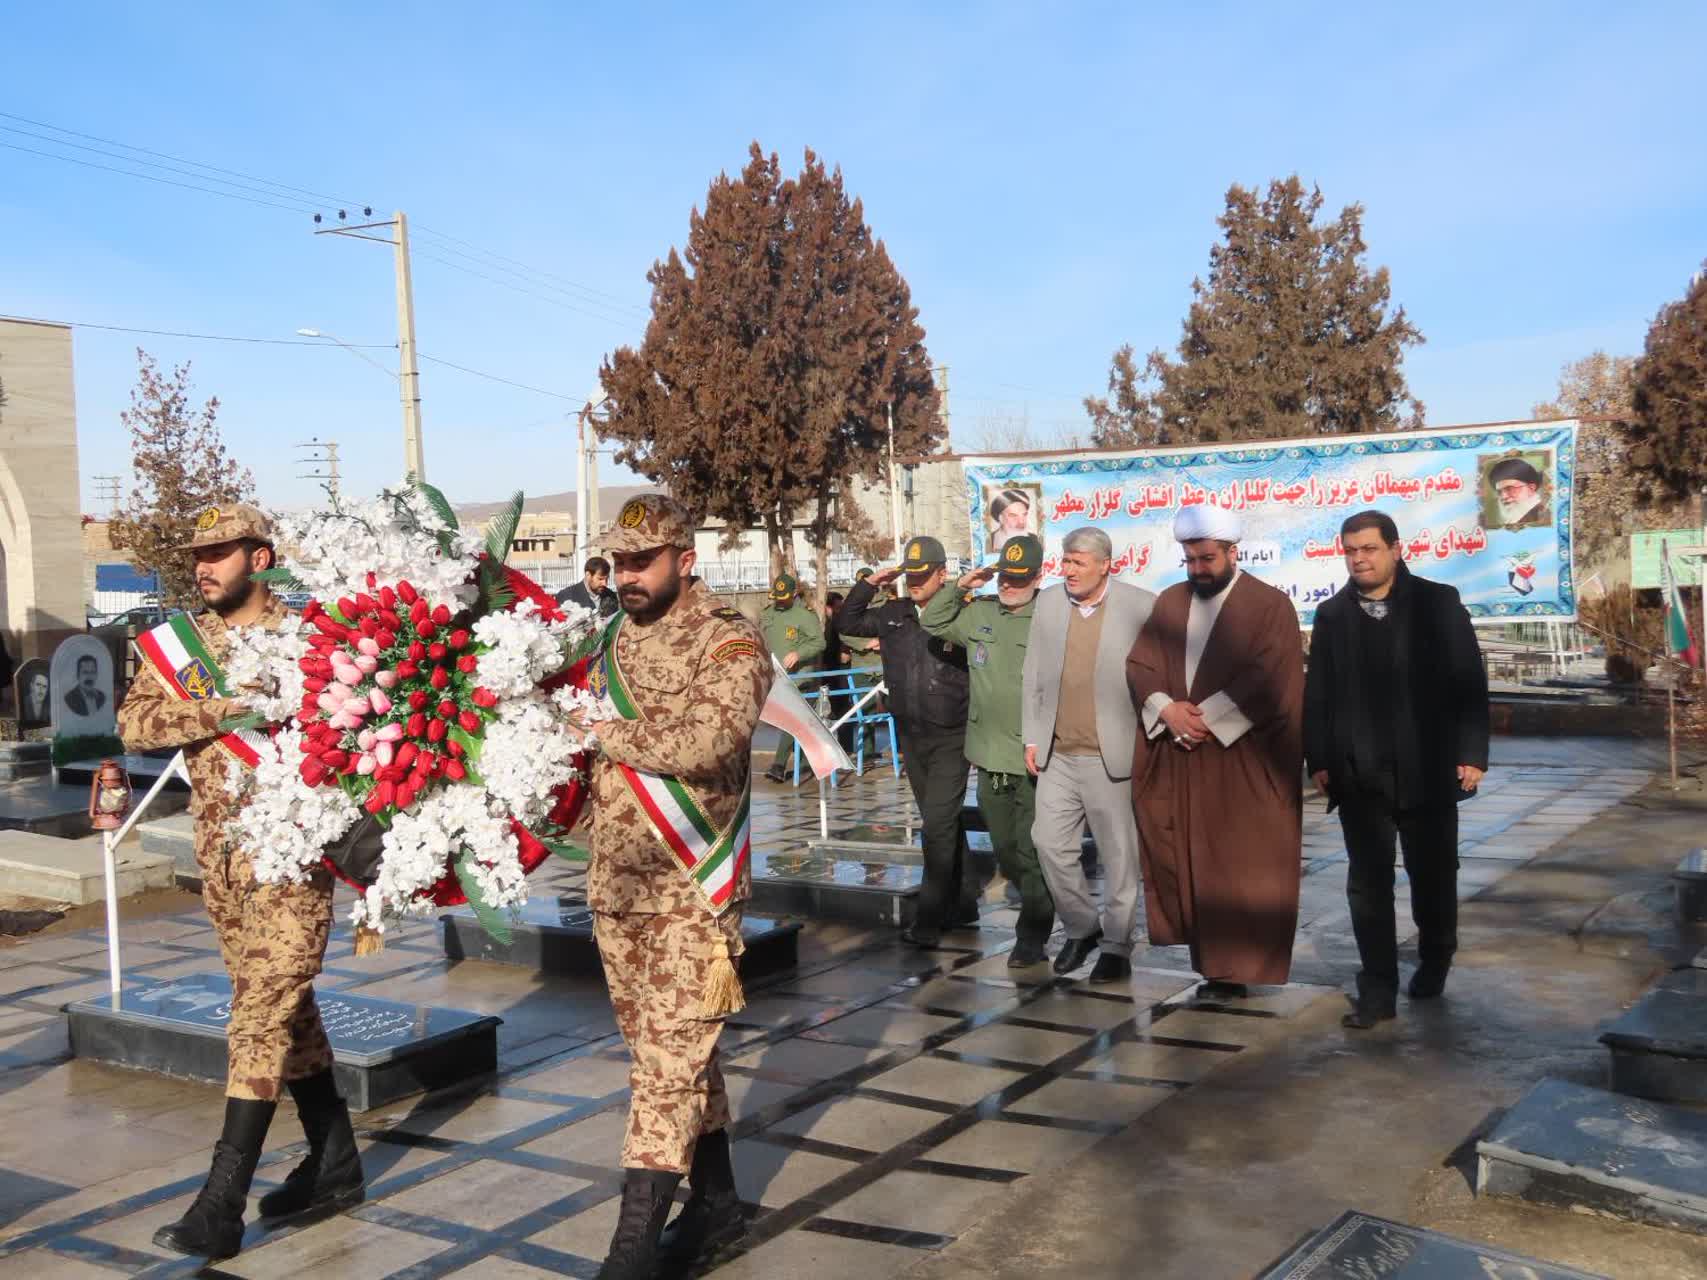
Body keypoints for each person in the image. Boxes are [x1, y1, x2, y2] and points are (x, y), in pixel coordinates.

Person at [117, 504, 361, 1261]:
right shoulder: (174, 645)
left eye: (220, 552)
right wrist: (229, 706)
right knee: (286, 1007)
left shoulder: (316, 640)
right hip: (220, 860)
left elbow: (352, 733)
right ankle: (335, 1158)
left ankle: (222, 1201)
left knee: (260, 1013)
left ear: (259, 558)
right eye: (199, 553)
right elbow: (135, 726)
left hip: (292, 859)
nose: (204, 565)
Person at [564, 494, 773, 1277]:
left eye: (640, 561)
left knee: (664, 1067)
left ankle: (631, 1250)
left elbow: (707, 740)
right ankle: (716, 1203)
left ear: (686, 560)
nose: (624, 577)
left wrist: (598, 731)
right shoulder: (607, 640)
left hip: (691, 887)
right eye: (615, 562)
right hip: (617, 882)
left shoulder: (727, 641)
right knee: (675, 1059)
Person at [1304, 510, 1490, 1029]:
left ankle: (1436, 956)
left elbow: (1469, 681)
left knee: (1432, 878)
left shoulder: (1438, 603)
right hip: (1359, 776)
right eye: (1350, 550)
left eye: (1369, 548)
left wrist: (1472, 753)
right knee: (1367, 885)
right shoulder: (1333, 615)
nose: (1359, 558)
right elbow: (1317, 693)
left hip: (1429, 770)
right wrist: (1319, 760)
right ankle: (1378, 988)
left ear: (1395, 549)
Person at [1127, 505, 1304, 997]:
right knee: (1192, 863)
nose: (1198, 569)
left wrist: (1203, 719)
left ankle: (1239, 967)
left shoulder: (1268, 606)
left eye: (1207, 559)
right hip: (1183, 758)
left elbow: (1274, 676)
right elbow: (1141, 664)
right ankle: (1213, 969)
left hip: (1241, 761)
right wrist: (1167, 710)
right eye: (1190, 560)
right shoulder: (1170, 601)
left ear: (1232, 552)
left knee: (1239, 866)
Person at [1022, 527, 1154, 982]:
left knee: (1120, 855)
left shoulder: (1140, 606)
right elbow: (1033, 672)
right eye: (1066, 560)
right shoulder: (1050, 603)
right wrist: (1031, 737)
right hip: (1057, 752)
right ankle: (1082, 927)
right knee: (1049, 843)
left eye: (1078, 562)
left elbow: (1157, 675)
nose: (1069, 570)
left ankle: (1117, 945)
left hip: (1111, 755)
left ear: (1105, 565)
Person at [922, 534, 1055, 966]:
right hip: (989, 756)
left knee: (1031, 848)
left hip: (1035, 757)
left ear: (1039, 576)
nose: (1009, 586)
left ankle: (1033, 932)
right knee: (1006, 851)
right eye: (1004, 577)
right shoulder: (980, 613)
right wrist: (963, 585)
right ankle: (1040, 906)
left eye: (1019, 579)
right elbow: (933, 621)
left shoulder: (1053, 617)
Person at [838, 536, 977, 945]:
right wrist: (870, 585)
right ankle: (965, 901)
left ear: (942, 574)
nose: (914, 583)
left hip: (953, 732)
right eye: (910, 575)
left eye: (923, 575)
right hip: (912, 733)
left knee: (935, 825)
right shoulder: (894, 613)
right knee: (943, 822)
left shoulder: (961, 614)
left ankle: (930, 918)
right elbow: (846, 624)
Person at [760, 573, 825, 783]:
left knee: (793, 720)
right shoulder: (768, 613)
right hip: (776, 678)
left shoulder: (805, 615)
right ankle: (806, 765)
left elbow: (819, 643)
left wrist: (799, 653)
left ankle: (779, 765)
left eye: (784, 596)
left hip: (801, 678)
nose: (780, 600)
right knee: (798, 722)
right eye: (777, 596)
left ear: (795, 593)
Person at [1487, 457, 1551, 530]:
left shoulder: (1543, 514)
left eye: (1509, 489)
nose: (1503, 496)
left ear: (1531, 488)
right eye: (1499, 492)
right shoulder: (1514, 517)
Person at [556, 555, 620, 619]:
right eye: (600, 579)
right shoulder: (566, 596)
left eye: (607, 579)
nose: (605, 584)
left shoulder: (611, 596)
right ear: (588, 575)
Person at [986, 487, 1033, 552]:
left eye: (1024, 514)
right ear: (1001, 518)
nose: (1021, 521)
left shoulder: (1034, 539)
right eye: (1013, 515)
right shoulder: (988, 540)